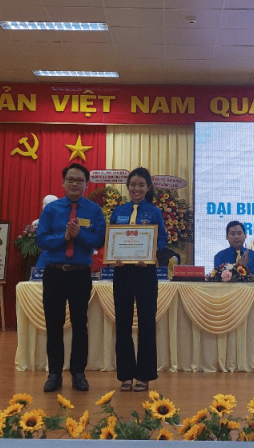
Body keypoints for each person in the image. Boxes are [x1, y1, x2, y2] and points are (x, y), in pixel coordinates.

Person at [36, 163, 105, 393]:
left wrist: (79, 235)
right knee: (53, 324)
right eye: (70, 180)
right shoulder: (52, 210)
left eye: (79, 180)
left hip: (80, 274)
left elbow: (99, 240)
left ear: (87, 184)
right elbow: (41, 240)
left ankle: (78, 373)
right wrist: (64, 237)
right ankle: (54, 373)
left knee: (80, 324)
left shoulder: (94, 211)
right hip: (54, 273)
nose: (75, 184)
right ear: (63, 182)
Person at [109, 167, 168, 393]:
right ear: (127, 187)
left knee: (146, 323)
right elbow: (111, 237)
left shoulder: (153, 212)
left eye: (141, 185)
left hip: (145, 272)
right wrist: (114, 256)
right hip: (122, 272)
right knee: (123, 323)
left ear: (148, 187)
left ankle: (144, 375)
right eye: (133, 185)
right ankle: (125, 375)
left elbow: (162, 239)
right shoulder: (118, 211)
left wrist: (151, 253)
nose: (137, 189)